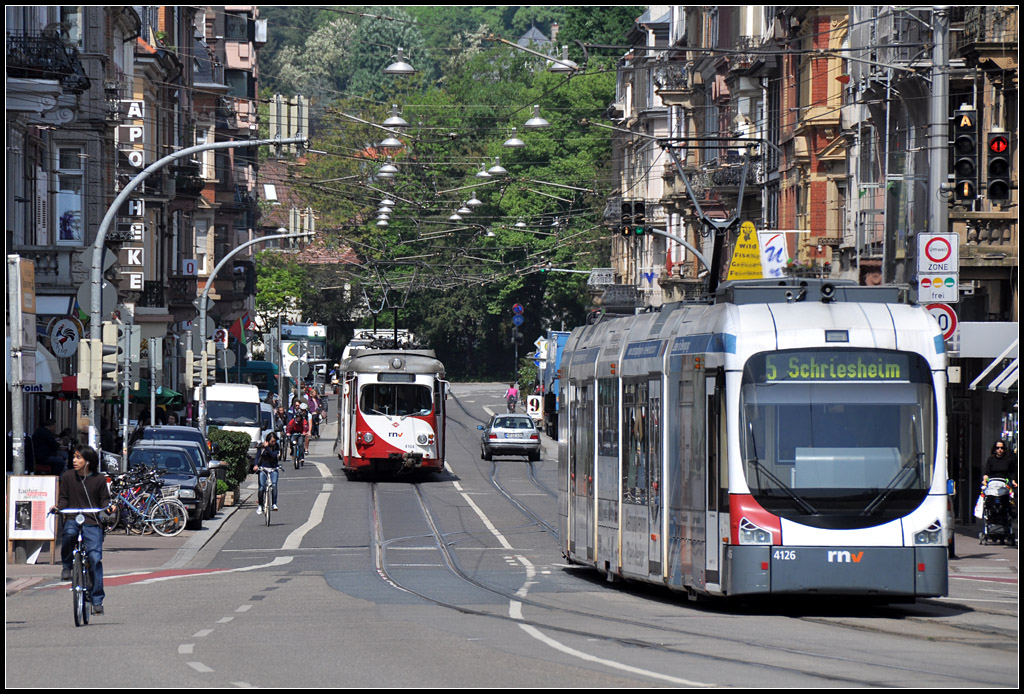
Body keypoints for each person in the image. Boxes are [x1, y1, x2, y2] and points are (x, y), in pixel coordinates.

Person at [53, 446, 115, 615]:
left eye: (79, 457)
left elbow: (104, 500)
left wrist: (109, 508)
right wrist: (58, 508)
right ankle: (67, 566)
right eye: (74, 457)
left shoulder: (99, 479)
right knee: (69, 534)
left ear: (88, 461)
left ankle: (97, 600)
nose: (74, 460)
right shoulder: (67, 477)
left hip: (92, 521)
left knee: (95, 558)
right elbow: (64, 498)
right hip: (73, 517)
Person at [253, 432, 281, 514]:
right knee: (261, 487)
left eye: (274, 441)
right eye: (272, 441)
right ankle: (260, 505)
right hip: (263, 468)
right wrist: (256, 465)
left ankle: (274, 504)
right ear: (267, 441)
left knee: (274, 484)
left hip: (273, 468)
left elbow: (273, 455)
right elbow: (257, 457)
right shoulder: (261, 447)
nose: (273, 443)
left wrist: (267, 448)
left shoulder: (276, 447)